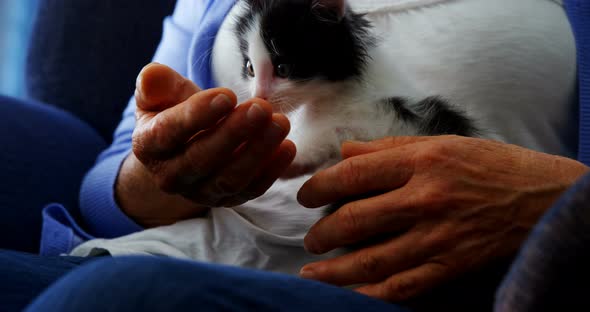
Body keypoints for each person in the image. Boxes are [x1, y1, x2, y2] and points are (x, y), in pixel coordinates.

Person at [1, 0, 589, 311]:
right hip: (191, 244)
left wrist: (559, 204)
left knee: (117, 298)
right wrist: (158, 174)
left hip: (423, 282)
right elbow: (113, 175)